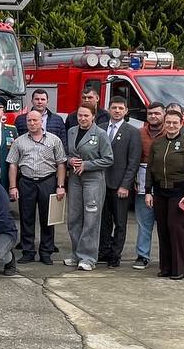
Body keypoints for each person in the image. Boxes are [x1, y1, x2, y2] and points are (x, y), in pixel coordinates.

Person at [6, 108, 67, 265]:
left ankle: (46, 252)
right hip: (26, 182)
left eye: (35, 120)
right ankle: (28, 251)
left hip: (48, 181)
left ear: (41, 122)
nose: (32, 123)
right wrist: (13, 187)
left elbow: (61, 163)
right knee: (26, 218)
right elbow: (13, 165)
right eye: (29, 121)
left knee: (48, 218)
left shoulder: (54, 140)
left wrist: (60, 185)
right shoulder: (19, 141)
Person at [145, 107, 184, 280]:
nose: (171, 125)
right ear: (164, 123)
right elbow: (150, 169)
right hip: (160, 192)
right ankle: (166, 267)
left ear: (181, 124)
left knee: (176, 229)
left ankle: (179, 268)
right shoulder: (158, 143)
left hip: (179, 192)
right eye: (168, 122)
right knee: (163, 229)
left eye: (175, 122)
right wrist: (148, 191)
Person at [64, 103, 113, 271]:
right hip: (75, 179)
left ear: (93, 116)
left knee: (91, 218)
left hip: (93, 179)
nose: (82, 119)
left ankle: (88, 257)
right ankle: (76, 254)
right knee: (74, 218)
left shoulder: (101, 134)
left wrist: (87, 164)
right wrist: (70, 160)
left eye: (86, 115)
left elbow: (108, 159)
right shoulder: (71, 132)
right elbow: (69, 153)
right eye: (80, 115)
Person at [97, 96, 141, 269]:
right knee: (104, 221)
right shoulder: (99, 129)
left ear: (126, 111)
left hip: (120, 185)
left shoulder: (132, 132)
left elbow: (133, 162)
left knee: (120, 223)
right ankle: (104, 250)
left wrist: (125, 185)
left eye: (120, 108)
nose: (117, 111)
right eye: (114, 107)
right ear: (108, 109)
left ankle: (115, 255)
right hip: (101, 183)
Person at [131, 102, 167, 269]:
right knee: (144, 223)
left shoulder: (171, 132)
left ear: (164, 114)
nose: (153, 116)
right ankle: (142, 256)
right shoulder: (138, 134)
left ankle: (167, 256)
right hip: (143, 184)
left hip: (166, 186)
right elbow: (133, 159)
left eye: (157, 113)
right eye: (150, 113)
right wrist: (133, 180)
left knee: (166, 223)